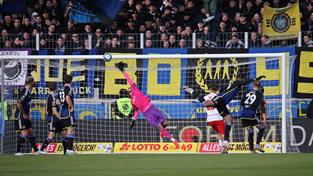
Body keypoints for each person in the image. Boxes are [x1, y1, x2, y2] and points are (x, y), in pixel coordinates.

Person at [184, 74, 265, 147]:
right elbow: (243, 82)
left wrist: (222, 90)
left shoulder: (232, 85)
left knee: (229, 120)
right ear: (239, 79)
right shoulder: (237, 83)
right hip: (220, 99)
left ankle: (225, 142)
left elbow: (223, 88)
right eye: (242, 79)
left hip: (222, 104)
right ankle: (190, 90)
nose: (243, 81)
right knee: (206, 104)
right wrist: (254, 78)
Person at [115, 62, 179, 149]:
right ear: (127, 92)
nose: (129, 88)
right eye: (128, 89)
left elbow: (128, 79)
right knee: (159, 127)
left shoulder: (135, 89)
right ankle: (173, 140)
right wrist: (133, 121)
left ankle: (163, 133)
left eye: (129, 87)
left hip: (152, 108)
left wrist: (122, 70)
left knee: (165, 123)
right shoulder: (132, 101)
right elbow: (136, 111)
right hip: (147, 114)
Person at [183, 84, 226, 153]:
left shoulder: (205, 97)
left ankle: (221, 147)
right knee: (223, 133)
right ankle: (224, 148)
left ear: (210, 90)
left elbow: (197, 96)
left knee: (218, 132)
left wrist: (189, 90)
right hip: (218, 118)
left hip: (210, 120)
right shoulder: (219, 97)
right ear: (217, 90)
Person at [15, 76, 42, 155]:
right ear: (31, 82)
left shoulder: (29, 91)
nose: (34, 83)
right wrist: (23, 114)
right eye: (33, 82)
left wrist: (28, 115)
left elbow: (27, 105)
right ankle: (18, 151)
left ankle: (36, 151)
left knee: (30, 132)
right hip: (21, 115)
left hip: (26, 115)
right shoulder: (25, 91)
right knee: (24, 133)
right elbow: (18, 103)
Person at [39, 82, 67, 154]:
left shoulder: (54, 96)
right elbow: (54, 111)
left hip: (55, 117)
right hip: (53, 118)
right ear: (56, 88)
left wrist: (60, 102)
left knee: (64, 133)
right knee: (51, 134)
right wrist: (61, 118)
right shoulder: (51, 97)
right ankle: (41, 150)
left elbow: (53, 105)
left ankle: (65, 152)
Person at [240, 80, 266, 153]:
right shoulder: (260, 94)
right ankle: (257, 144)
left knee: (250, 131)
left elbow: (241, 103)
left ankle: (251, 150)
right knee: (262, 127)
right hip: (251, 114)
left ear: (252, 85)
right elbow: (262, 107)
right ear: (259, 86)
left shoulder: (246, 92)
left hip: (243, 115)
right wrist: (263, 116)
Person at [58, 74, 75, 155]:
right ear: (71, 81)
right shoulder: (68, 88)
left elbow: (58, 101)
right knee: (70, 130)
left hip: (62, 112)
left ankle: (65, 151)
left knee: (64, 132)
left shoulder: (60, 89)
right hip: (68, 112)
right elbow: (67, 98)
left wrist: (62, 104)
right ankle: (69, 149)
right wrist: (71, 106)